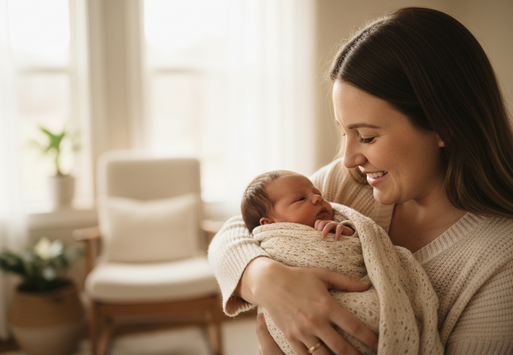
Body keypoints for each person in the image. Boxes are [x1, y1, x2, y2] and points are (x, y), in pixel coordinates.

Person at [208, 6, 513, 355]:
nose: (350, 157)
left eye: (366, 136)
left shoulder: (501, 262)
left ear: (444, 124)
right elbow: (236, 229)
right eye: (344, 133)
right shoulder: (350, 184)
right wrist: (264, 280)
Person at [240, 170, 442, 354]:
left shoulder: (336, 223)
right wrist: (261, 275)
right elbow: (235, 234)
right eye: (301, 198)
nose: (318, 197)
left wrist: (347, 232)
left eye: (317, 193)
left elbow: (362, 251)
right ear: (269, 224)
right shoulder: (271, 243)